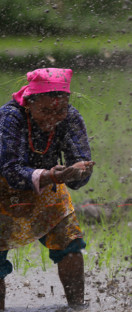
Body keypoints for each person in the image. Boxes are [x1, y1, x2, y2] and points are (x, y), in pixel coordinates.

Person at [0, 68, 94, 309]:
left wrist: (81, 172)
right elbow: (10, 170)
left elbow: (77, 170)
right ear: (29, 103)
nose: (53, 118)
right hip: (2, 190)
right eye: (45, 111)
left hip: (49, 187)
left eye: (60, 110)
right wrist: (51, 175)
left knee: (70, 243)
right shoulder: (10, 118)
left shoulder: (70, 118)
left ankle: (78, 307)